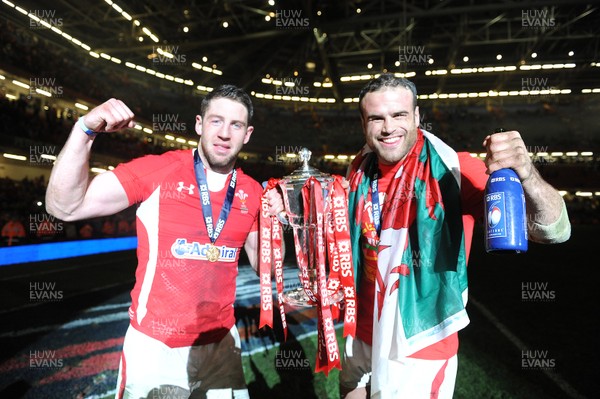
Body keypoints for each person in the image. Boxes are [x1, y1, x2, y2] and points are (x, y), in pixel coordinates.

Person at [266, 74, 571, 398]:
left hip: (419, 339)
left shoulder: (453, 168)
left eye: (398, 115)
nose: (388, 127)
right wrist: (290, 209)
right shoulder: (359, 167)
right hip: (363, 329)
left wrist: (527, 174)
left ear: (416, 115)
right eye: (376, 118)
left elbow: (553, 231)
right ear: (362, 122)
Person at [45, 85, 263, 399]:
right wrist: (85, 129)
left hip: (221, 345)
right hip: (156, 347)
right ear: (199, 125)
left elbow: (264, 266)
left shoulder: (253, 192)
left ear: (248, 134)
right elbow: (63, 206)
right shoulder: (159, 171)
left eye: (236, 125)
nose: (225, 133)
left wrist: (295, 225)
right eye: (216, 121)